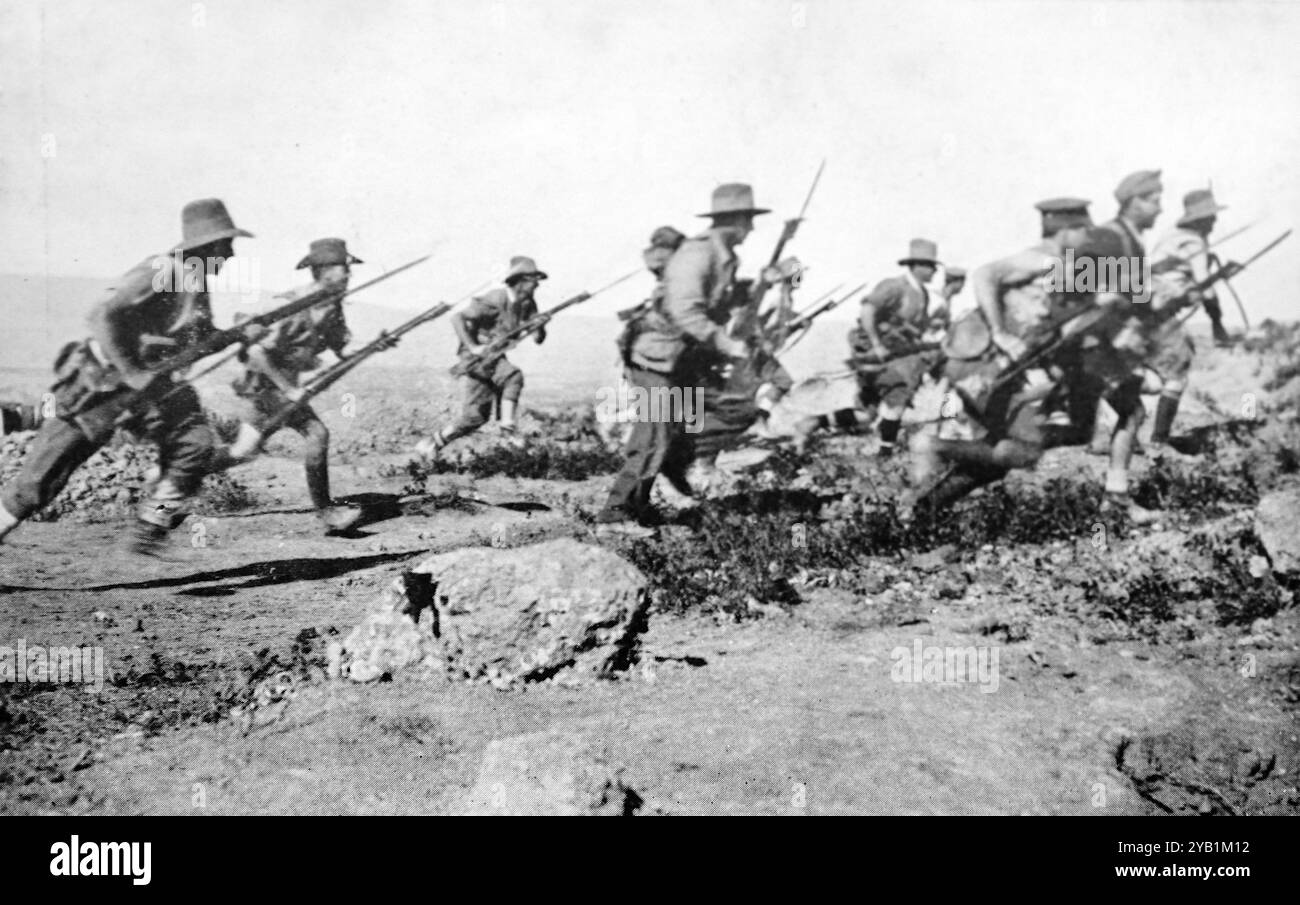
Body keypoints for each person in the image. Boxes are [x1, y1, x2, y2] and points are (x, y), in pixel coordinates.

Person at [0, 199, 257, 556]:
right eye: (225, 245)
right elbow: (102, 315)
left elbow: (195, 344)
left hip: (155, 386)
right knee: (39, 483)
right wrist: (133, 372)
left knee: (195, 444)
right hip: (104, 385)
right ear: (207, 246)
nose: (229, 254)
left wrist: (239, 334)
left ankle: (153, 523)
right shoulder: (162, 271)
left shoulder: (196, 282)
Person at [909, 198, 1095, 513]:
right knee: (1024, 450)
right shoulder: (1040, 258)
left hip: (1001, 366)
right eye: (1083, 231)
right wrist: (1000, 331)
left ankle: (926, 510)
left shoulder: (1066, 266)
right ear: (1065, 230)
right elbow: (985, 275)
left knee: (999, 454)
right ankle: (931, 446)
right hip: (985, 363)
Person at [593, 183, 759, 538]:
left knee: (686, 428)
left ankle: (641, 502)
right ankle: (614, 515)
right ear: (734, 220)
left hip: (681, 362)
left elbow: (713, 304)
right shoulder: (698, 255)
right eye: (749, 220)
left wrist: (762, 287)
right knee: (651, 438)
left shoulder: (722, 256)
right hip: (656, 359)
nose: (752, 229)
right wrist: (725, 343)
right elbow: (686, 311)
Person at [218, 238, 370, 534]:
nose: (349, 275)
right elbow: (257, 353)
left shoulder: (331, 307)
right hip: (264, 390)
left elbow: (341, 346)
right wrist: (287, 390)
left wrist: (377, 344)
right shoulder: (293, 306)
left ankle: (171, 483)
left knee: (245, 450)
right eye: (344, 269)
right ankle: (326, 512)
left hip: (284, 390)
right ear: (324, 272)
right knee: (254, 448)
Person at [414, 256, 548, 458]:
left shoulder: (528, 304)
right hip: (476, 357)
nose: (537, 284)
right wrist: (473, 346)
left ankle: (431, 443)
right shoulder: (496, 299)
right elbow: (458, 317)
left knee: (474, 417)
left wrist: (540, 325)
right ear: (520, 280)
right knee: (513, 376)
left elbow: (538, 338)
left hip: (493, 357)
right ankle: (508, 430)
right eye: (533, 279)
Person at [1145, 187, 1232, 446]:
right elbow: (1205, 285)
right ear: (1201, 219)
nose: (1215, 221)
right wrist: (1217, 322)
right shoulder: (1194, 242)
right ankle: (1159, 441)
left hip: (1141, 304)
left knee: (1157, 367)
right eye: (1211, 216)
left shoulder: (1172, 236)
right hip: (1159, 309)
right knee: (1177, 373)